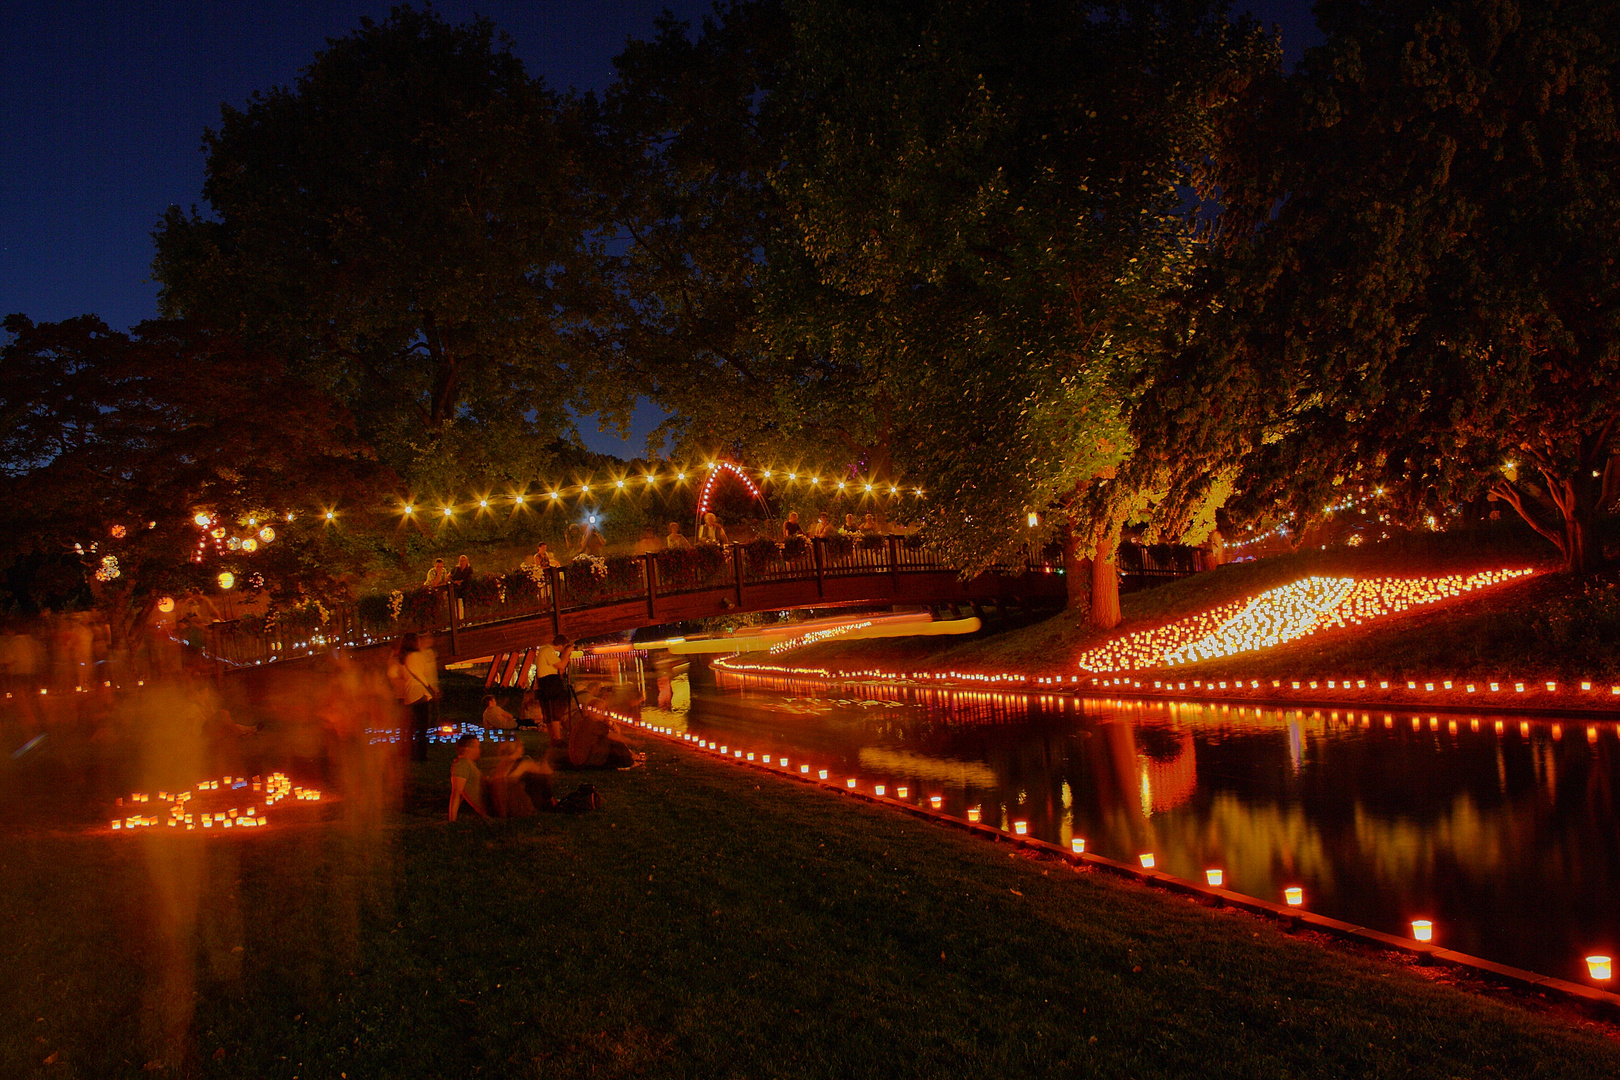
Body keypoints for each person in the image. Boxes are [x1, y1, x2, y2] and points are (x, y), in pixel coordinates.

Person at [397, 632, 440, 761]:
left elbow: (397, 674)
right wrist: (431, 689)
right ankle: (421, 755)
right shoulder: (416, 656)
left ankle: (410, 752)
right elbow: (423, 674)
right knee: (421, 727)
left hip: (409, 694)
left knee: (411, 727)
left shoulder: (402, 658)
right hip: (420, 693)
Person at [533, 634, 575, 744]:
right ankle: (557, 738)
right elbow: (562, 665)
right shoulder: (547, 651)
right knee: (554, 712)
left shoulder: (546, 651)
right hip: (549, 684)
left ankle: (555, 738)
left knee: (551, 712)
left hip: (549, 683)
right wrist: (566, 653)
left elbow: (560, 669)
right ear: (561, 646)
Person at [448, 734, 489, 821]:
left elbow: (464, 792)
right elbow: (456, 793)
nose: (479, 750)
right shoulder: (462, 764)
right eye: (477, 747)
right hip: (491, 808)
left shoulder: (470, 765)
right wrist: (452, 819)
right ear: (467, 749)